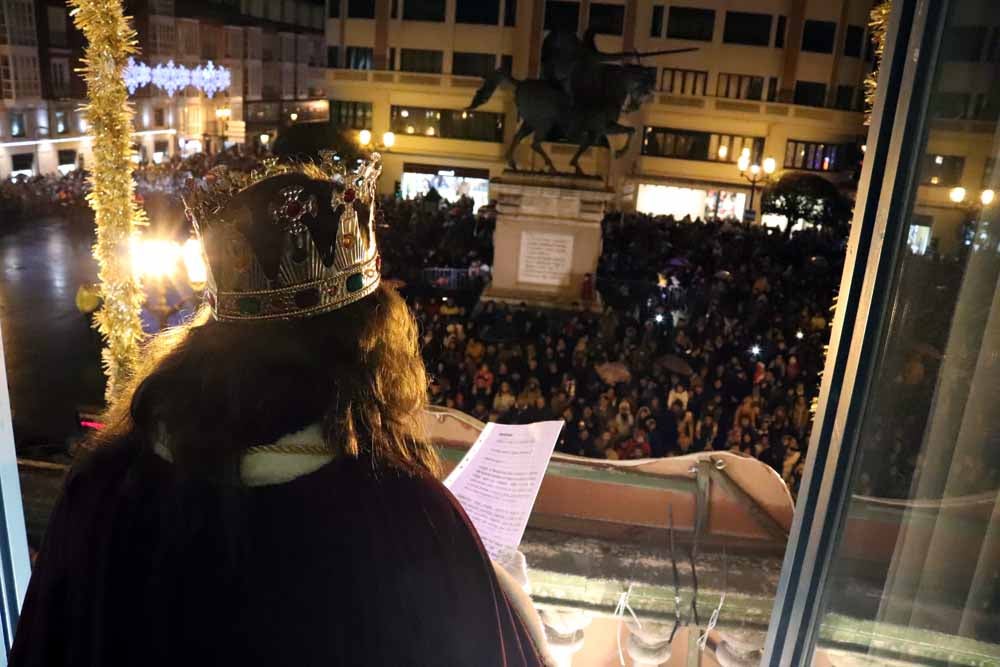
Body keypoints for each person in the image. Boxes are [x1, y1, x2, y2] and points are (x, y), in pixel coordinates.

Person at [10, 161, 547, 666]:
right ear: (372, 345)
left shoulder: (104, 488)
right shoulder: (411, 519)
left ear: (210, 335)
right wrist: (506, 592)